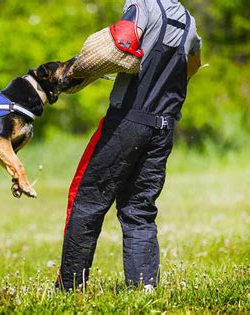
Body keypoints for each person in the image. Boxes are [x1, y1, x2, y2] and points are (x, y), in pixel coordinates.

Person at [57, 0, 202, 290]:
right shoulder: (189, 20)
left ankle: (70, 287)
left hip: (127, 122)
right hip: (163, 127)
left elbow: (122, 39)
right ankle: (144, 287)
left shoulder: (143, 4)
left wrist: (78, 71)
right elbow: (193, 67)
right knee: (139, 208)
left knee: (86, 200)